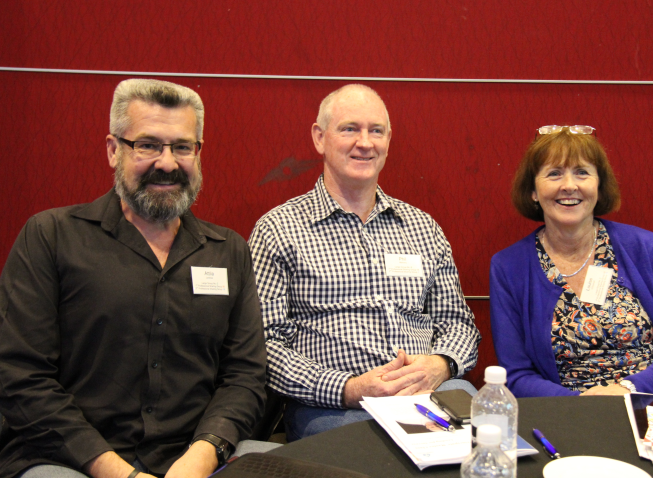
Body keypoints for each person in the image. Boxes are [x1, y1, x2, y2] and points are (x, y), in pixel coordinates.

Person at [0, 79, 268, 478]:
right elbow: (21, 378)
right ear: (113, 150)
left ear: (198, 153)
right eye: (147, 145)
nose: (167, 162)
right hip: (69, 460)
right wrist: (121, 474)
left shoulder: (228, 250)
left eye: (182, 147)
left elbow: (245, 377)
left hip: (195, 459)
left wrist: (201, 456)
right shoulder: (50, 236)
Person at [248, 84, 481, 441]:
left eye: (376, 131)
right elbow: (265, 348)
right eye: (349, 129)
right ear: (319, 138)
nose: (365, 142)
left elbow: (458, 324)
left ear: (389, 139)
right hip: (334, 407)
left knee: (493, 451)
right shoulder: (278, 230)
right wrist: (350, 388)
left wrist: (440, 364)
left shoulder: (422, 227)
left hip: (432, 395)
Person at [489, 125, 653, 399]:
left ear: (599, 186)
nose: (569, 185)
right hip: (573, 414)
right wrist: (585, 406)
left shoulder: (642, 247)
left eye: (582, 172)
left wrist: (629, 389)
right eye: (554, 173)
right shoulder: (508, 267)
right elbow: (517, 376)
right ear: (532, 190)